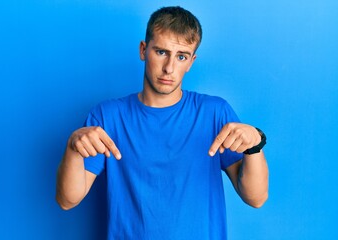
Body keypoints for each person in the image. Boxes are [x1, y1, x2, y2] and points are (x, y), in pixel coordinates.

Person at [56, 6, 269, 239]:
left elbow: (255, 198)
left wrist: (255, 145)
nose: (169, 68)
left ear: (191, 62)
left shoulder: (214, 113)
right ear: (143, 50)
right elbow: (67, 200)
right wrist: (72, 147)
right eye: (161, 52)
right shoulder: (107, 117)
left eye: (181, 57)